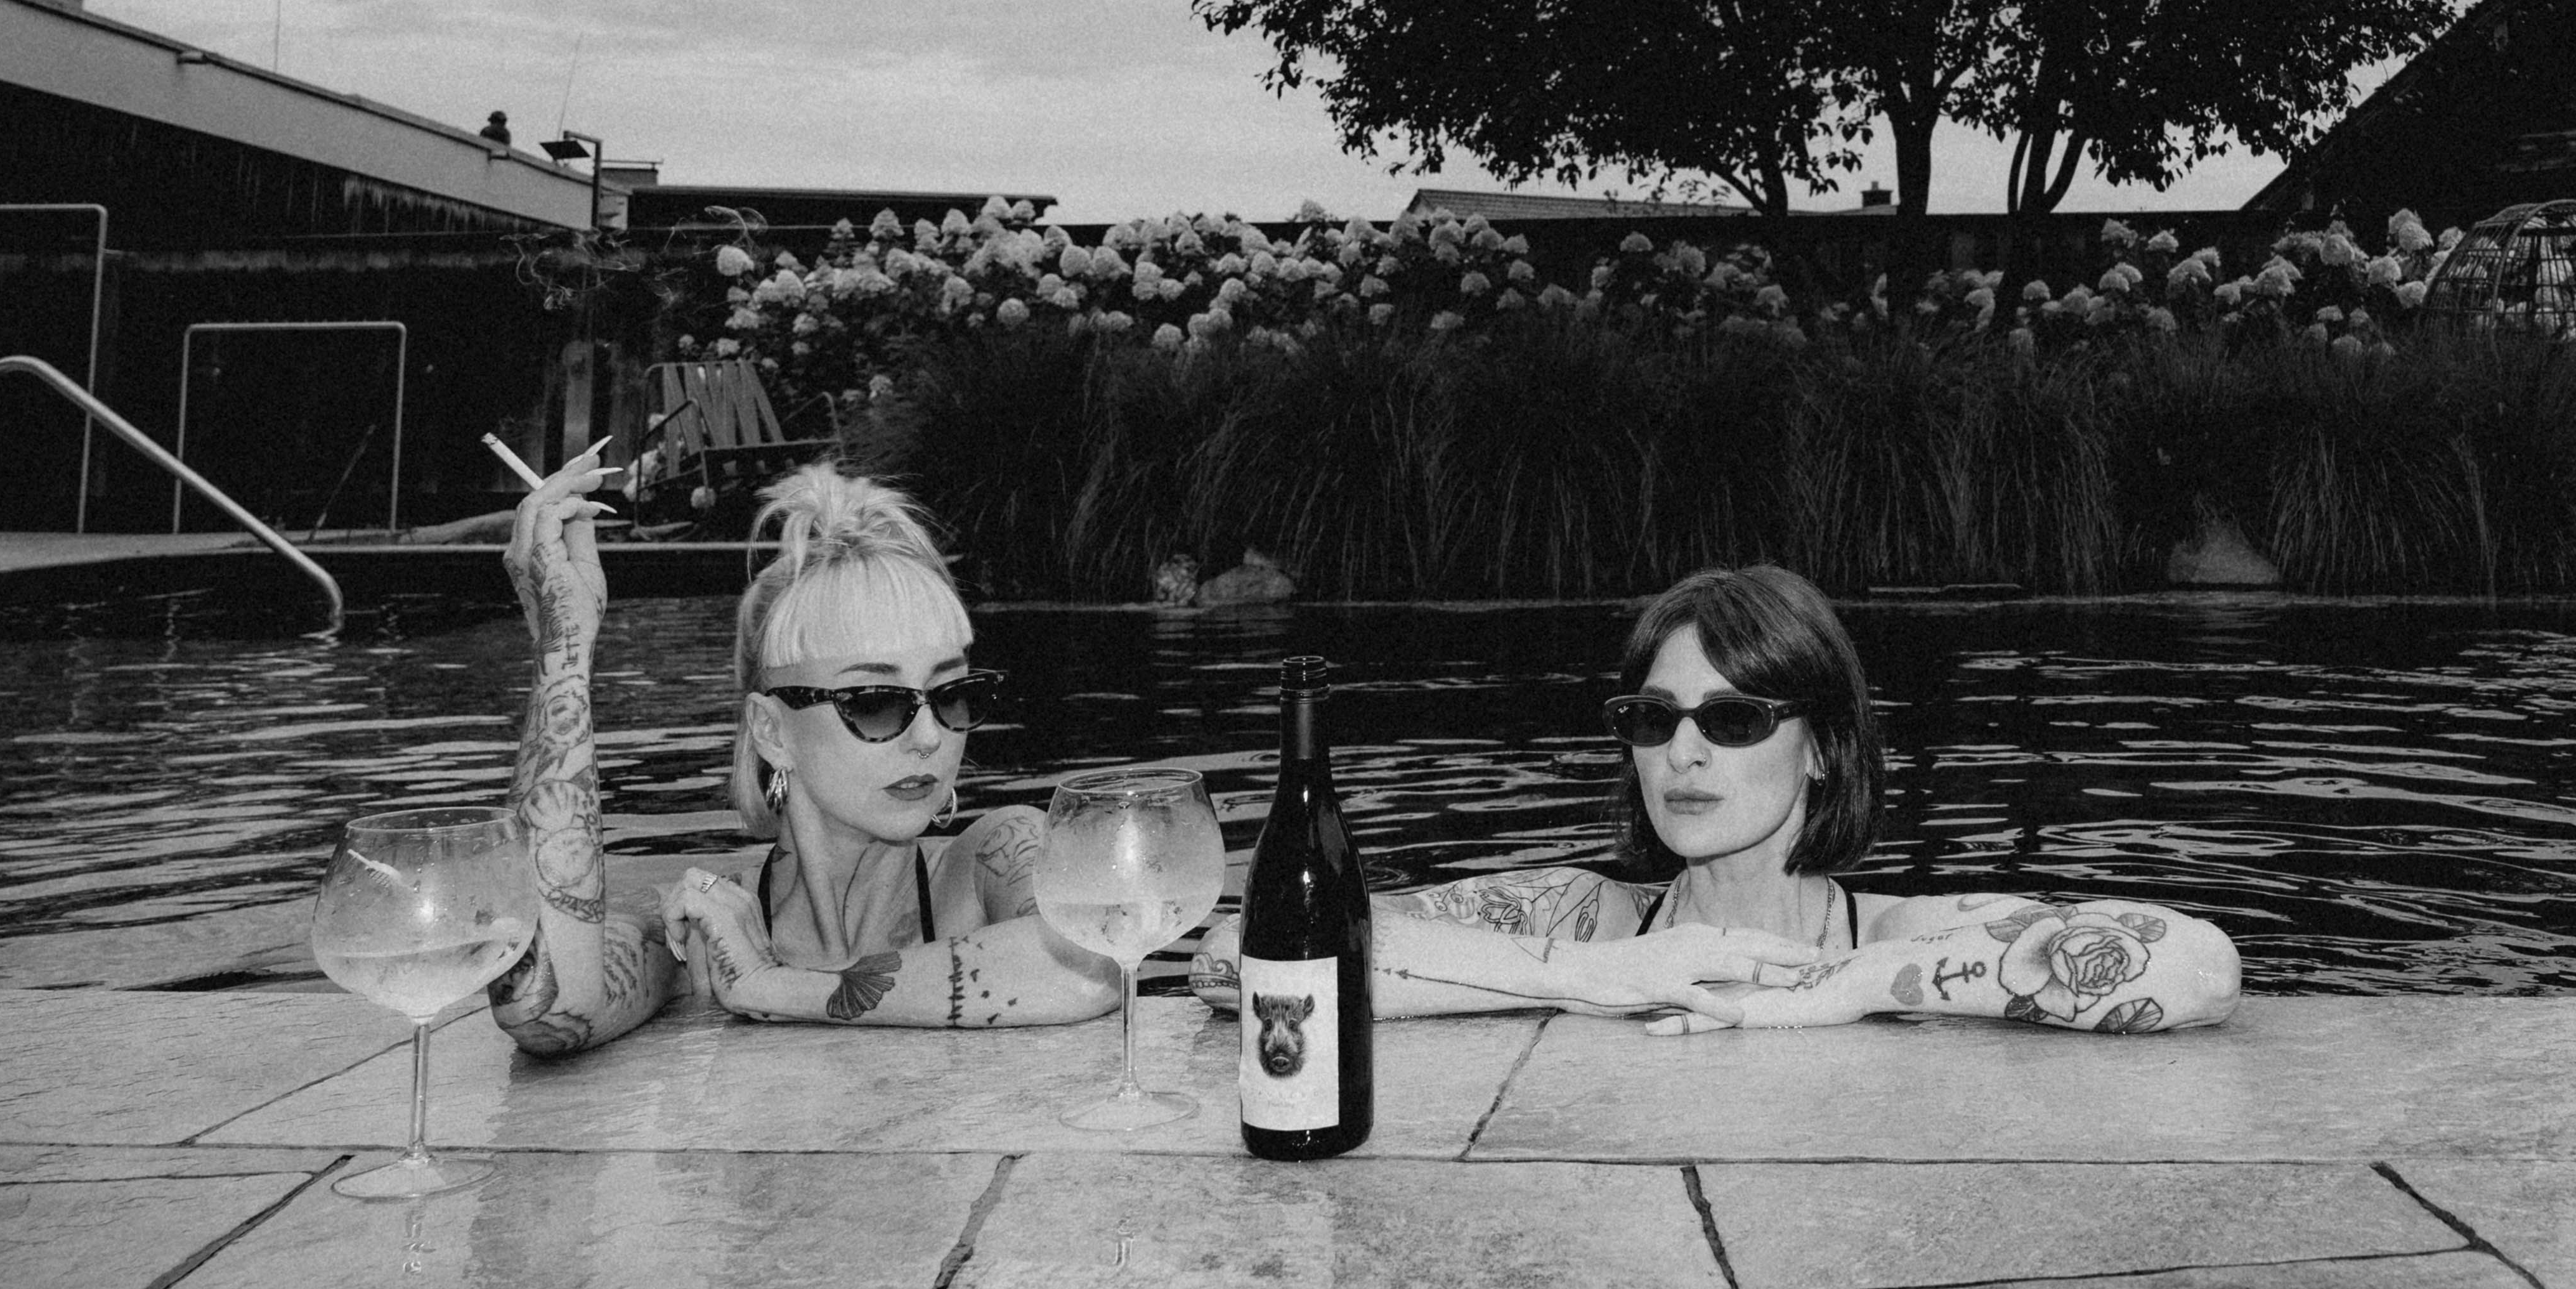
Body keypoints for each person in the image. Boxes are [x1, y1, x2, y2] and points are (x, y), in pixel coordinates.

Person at [1192, 563, 2242, 1035]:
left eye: (1734, 720)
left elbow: (2200, 968)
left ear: (1823, 747)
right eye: (1654, 719)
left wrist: (1846, 987)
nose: (1683, 753)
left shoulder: (1904, 929)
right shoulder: (1582, 916)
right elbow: (1237, 957)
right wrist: (1612, 976)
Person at [486, 449, 1117, 1052]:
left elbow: (1094, 961)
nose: (930, 736)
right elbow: (542, 1007)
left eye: (951, 694)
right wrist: (564, 649)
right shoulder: (705, 923)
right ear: (773, 731)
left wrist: (770, 984)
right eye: (875, 700)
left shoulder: (989, 867)